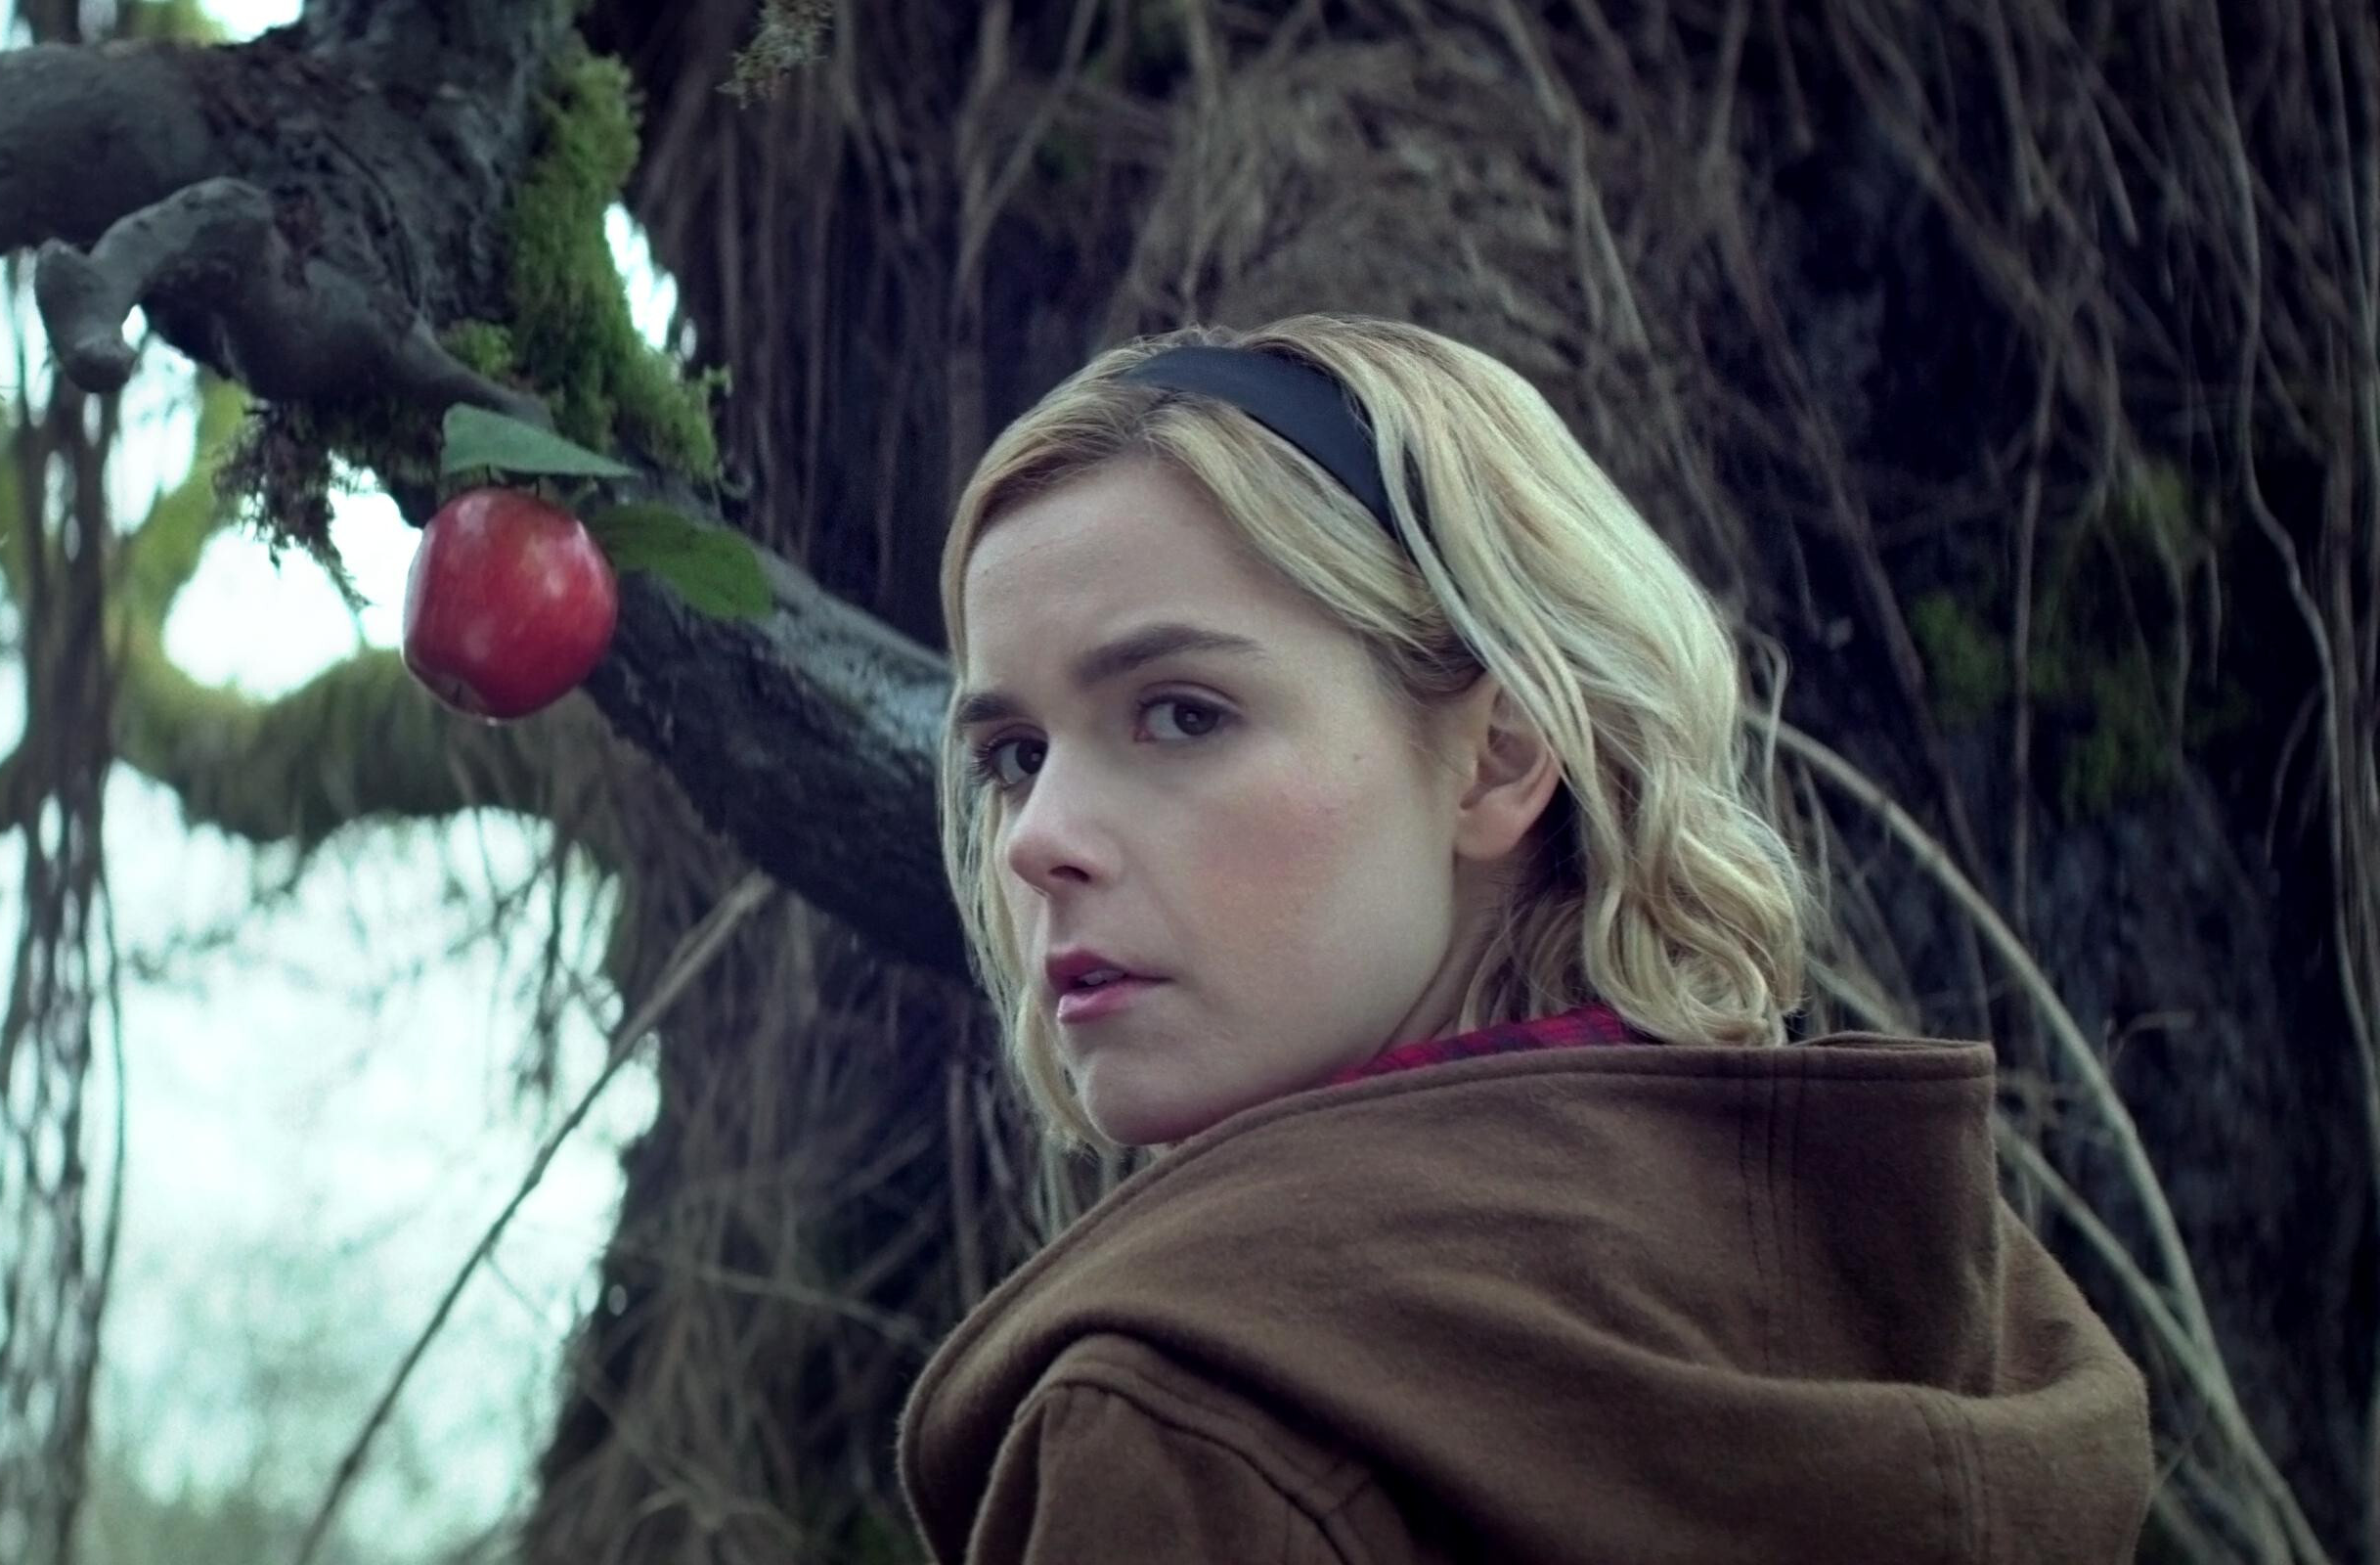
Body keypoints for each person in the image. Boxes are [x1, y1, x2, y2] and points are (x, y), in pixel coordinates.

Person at [896, 316, 2153, 1562]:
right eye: (1013, 757)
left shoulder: (1197, 1428)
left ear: (1499, 755)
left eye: (1182, 714)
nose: (1036, 840)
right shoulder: (1925, 1311)